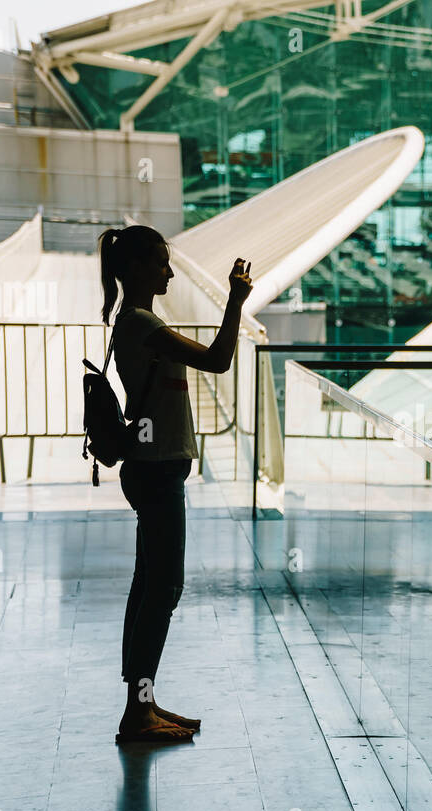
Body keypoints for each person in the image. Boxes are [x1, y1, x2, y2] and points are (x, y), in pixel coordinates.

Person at [98, 224, 253, 743]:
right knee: (162, 590)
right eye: (162, 262)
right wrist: (235, 299)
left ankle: (140, 704)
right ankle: (137, 713)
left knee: (149, 588)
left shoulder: (133, 321)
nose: (168, 271)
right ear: (138, 268)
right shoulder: (142, 323)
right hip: (158, 471)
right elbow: (218, 359)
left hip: (152, 470)